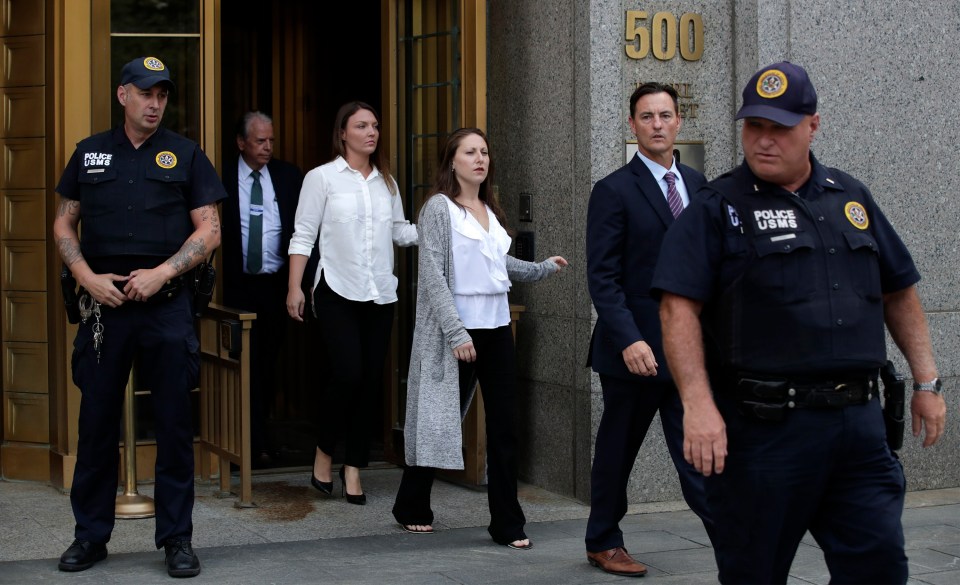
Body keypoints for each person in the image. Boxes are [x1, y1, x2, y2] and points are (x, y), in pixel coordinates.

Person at [652, 61, 947, 584]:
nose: (764, 141)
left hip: (858, 429)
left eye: (780, 128)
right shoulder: (717, 207)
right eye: (754, 127)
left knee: (879, 567)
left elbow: (898, 289)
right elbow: (678, 309)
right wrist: (697, 406)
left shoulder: (849, 197)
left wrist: (927, 381)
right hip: (766, 433)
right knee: (754, 573)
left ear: (812, 126)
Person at [53, 56, 225, 578]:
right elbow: (63, 225)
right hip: (105, 307)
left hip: (165, 305)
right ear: (123, 95)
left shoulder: (185, 154)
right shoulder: (90, 154)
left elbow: (210, 230)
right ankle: (90, 536)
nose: (155, 103)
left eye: (163, 95)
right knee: (96, 424)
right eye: (146, 93)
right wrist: (86, 278)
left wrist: (161, 273)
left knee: (174, 425)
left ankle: (176, 540)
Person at [391, 128, 568, 550]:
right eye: (470, 152)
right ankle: (411, 505)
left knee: (505, 427)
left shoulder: (488, 207)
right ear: (451, 161)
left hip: (496, 328)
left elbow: (497, 262)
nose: (479, 158)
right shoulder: (438, 208)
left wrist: (540, 268)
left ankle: (507, 522)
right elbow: (431, 273)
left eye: (484, 151)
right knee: (439, 420)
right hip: (457, 331)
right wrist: (455, 331)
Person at [584, 82, 713, 578]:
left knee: (700, 453)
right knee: (617, 453)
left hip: (691, 352)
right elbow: (604, 278)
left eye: (665, 115)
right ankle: (603, 540)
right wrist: (630, 338)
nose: (657, 124)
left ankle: (735, 541)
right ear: (632, 124)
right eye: (647, 116)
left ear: (679, 121)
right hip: (633, 352)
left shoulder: (701, 187)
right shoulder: (613, 190)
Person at [286, 101, 417, 505]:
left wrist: (444, 224)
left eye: (375, 126)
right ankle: (325, 451)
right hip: (336, 290)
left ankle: (354, 467)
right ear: (343, 133)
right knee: (347, 374)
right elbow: (303, 235)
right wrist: (294, 287)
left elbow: (400, 232)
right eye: (362, 126)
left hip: (380, 293)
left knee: (369, 382)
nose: (371, 132)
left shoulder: (387, 183)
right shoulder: (321, 179)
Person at [221, 111, 310, 467]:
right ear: (241, 142)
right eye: (260, 141)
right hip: (235, 286)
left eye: (271, 140)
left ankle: (261, 436)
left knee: (267, 364)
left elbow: (304, 230)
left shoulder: (289, 177)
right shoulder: (222, 176)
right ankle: (246, 442)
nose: (267, 147)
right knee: (241, 364)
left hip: (276, 286)